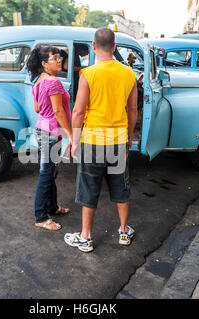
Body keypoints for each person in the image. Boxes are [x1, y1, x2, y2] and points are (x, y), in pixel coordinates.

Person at [64, 28, 138, 252]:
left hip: (93, 139)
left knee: (89, 187)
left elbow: (78, 112)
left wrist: (75, 141)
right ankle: (124, 231)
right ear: (114, 47)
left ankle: (86, 237)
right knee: (120, 186)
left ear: (93, 47)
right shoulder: (129, 74)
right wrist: (128, 138)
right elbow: (133, 110)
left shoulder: (88, 74)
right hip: (118, 139)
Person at [26, 45, 73, 231]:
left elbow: (38, 109)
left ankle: (52, 207)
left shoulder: (38, 80)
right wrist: (70, 133)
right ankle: (41, 216)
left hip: (42, 129)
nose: (59, 59)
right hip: (51, 133)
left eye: (59, 57)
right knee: (46, 173)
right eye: (54, 58)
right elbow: (58, 110)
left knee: (51, 172)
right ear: (45, 63)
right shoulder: (52, 82)